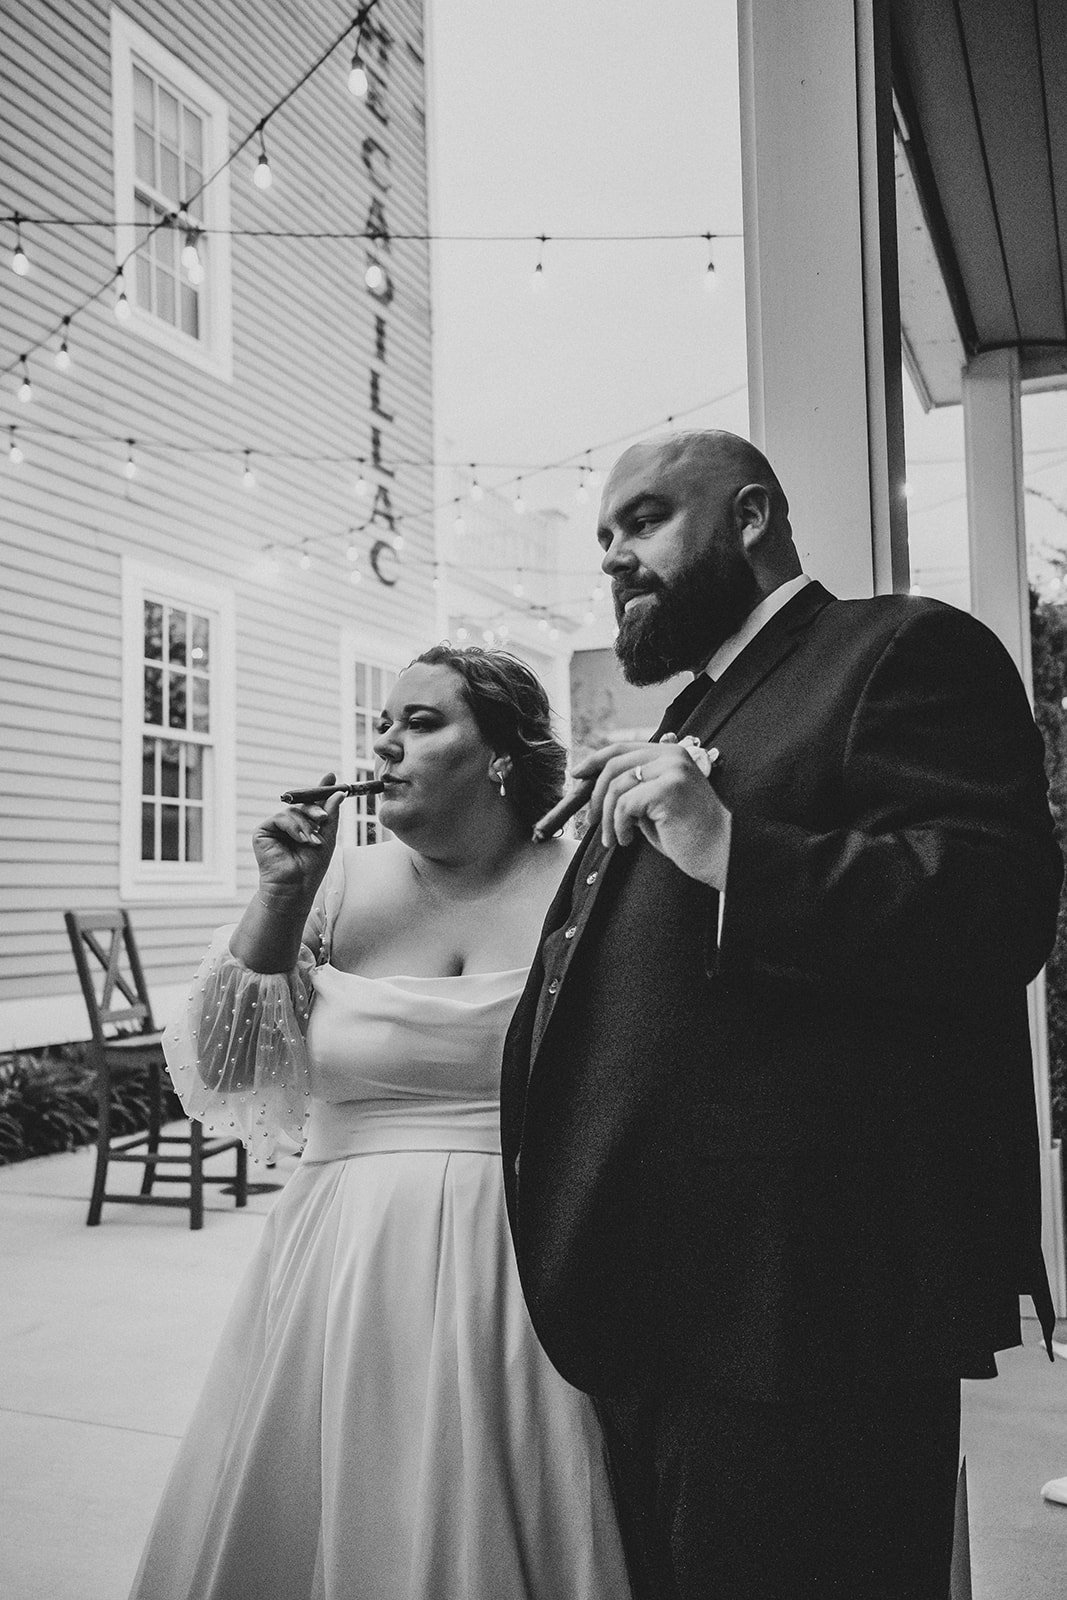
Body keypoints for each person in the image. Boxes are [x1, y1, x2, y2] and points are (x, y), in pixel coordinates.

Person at [500, 430, 1063, 1600]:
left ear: (750, 515)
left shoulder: (899, 649)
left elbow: (993, 907)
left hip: (807, 1313)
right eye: (603, 539)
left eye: (644, 520)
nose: (615, 557)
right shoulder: (698, 709)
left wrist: (728, 848)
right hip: (667, 1302)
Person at [130, 645, 631, 1600]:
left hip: (529, 1275)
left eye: (422, 722)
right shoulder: (334, 885)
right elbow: (227, 1067)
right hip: (343, 1273)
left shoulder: (592, 890)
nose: (387, 745)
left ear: (502, 757)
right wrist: (282, 891)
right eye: (382, 729)